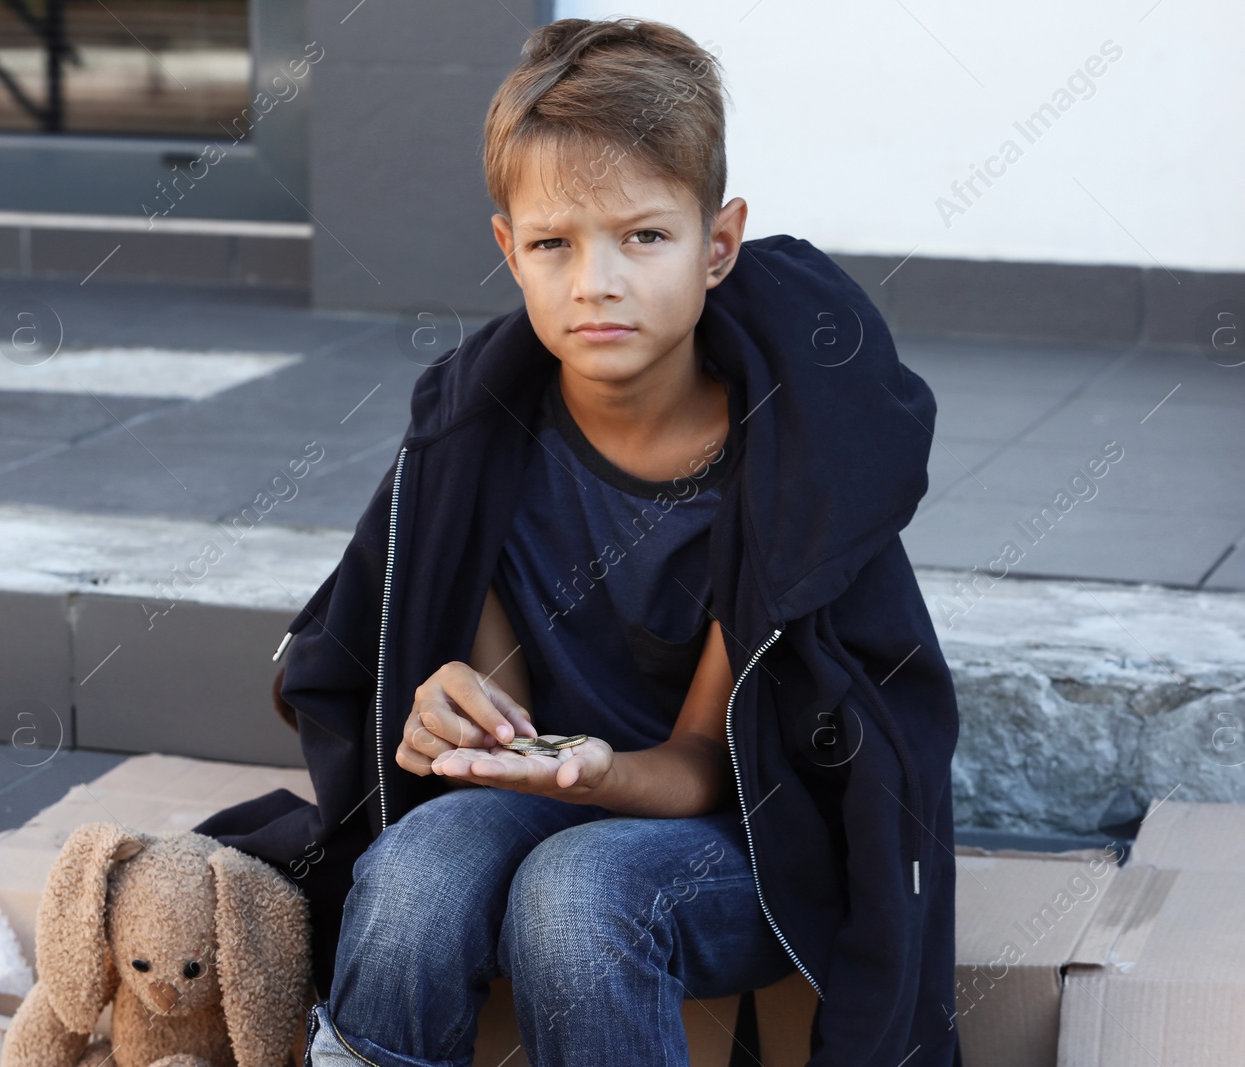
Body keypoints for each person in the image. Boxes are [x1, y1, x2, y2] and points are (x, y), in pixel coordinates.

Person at [195, 16, 962, 1067]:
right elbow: (507, 729)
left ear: (718, 244)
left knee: (577, 889)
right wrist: (452, 711)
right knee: (417, 864)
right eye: (555, 243)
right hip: (550, 796)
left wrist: (598, 777)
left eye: (643, 236)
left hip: (738, 840)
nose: (595, 280)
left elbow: (698, 763)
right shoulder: (475, 443)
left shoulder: (788, 461)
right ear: (510, 250)